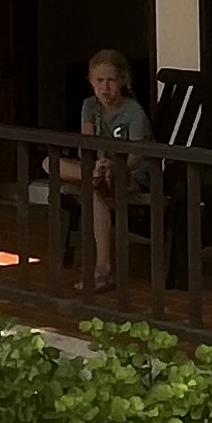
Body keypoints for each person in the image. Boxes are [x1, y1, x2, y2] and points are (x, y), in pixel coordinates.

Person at [56, 45, 147, 294]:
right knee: (50, 163)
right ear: (91, 82)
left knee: (94, 190)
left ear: (123, 81)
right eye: (99, 81)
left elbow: (137, 157)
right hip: (99, 170)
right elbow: (87, 145)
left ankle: (103, 269)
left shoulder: (133, 111)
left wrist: (114, 166)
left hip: (130, 174)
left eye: (111, 81)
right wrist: (96, 164)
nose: (105, 88)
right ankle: (95, 176)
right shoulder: (89, 106)